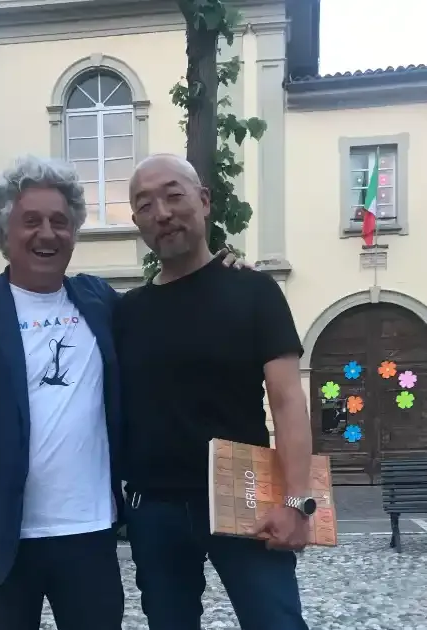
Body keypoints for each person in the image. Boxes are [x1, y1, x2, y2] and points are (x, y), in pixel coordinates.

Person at [0, 154, 247, 630]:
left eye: (60, 221)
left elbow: (170, 307)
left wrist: (221, 272)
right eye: (31, 221)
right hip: (0, 535)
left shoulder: (100, 302)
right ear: (4, 231)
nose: (47, 234)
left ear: (74, 231)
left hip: (89, 533)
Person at [115, 153, 313, 630]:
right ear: (137, 222)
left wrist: (296, 502)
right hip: (155, 507)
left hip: (246, 494)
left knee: (277, 623)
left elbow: (288, 402)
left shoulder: (255, 292)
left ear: (204, 201)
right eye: (145, 205)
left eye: (174, 196)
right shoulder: (125, 313)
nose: (162, 213)